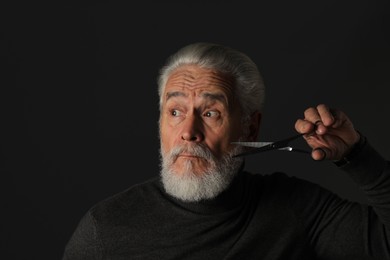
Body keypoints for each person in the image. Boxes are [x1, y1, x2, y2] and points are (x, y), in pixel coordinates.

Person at [62, 42, 390, 259]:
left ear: (250, 127)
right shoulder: (103, 231)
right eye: (175, 112)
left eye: (210, 113)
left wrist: (357, 157)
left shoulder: (298, 209)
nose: (189, 133)